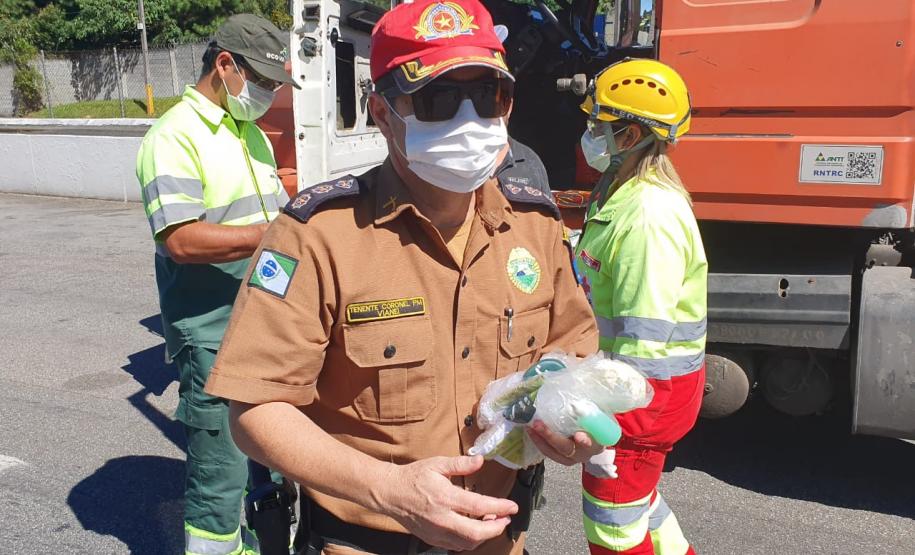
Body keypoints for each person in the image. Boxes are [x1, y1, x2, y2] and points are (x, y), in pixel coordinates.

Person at [203, 0, 598, 553]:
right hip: (364, 540)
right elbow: (255, 409)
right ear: (383, 113)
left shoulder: (535, 225)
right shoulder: (319, 235)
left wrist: (561, 417)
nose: (471, 119)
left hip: (500, 539)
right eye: (439, 99)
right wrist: (391, 490)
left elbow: (571, 349)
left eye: (488, 95)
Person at [135, 14, 298, 555]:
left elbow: (266, 216)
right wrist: (273, 231)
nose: (270, 95)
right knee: (220, 474)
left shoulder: (248, 132)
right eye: (265, 82)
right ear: (225, 65)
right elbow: (181, 240)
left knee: (272, 453)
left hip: (264, 321)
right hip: (211, 331)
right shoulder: (174, 135)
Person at [560, 59, 708, 555]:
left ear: (629, 136)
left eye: (598, 125)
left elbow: (643, 344)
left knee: (613, 526)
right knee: (641, 505)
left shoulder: (649, 216)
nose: (590, 134)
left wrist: (609, 412)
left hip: (642, 399)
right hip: (645, 394)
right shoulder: (623, 192)